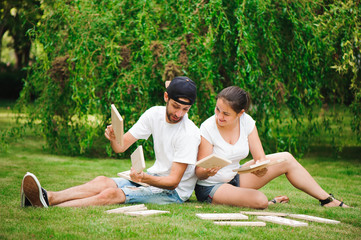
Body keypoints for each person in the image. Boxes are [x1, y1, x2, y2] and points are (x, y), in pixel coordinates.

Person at [21, 76, 200, 207]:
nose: (179, 114)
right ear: (166, 97)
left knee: (111, 193)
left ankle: (46, 206)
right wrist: (115, 138)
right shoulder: (154, 114)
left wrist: (144, 177)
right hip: (152, 179)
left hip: (173, 193)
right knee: (102, 181)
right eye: (176, 106)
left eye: (185, 109)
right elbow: (120, 148)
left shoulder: (189, 132)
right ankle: (48, 197)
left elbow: (173, 182)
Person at [195, 86, 349, 209]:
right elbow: (199, 173)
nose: (219, 116)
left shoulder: (247, 122)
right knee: (260, 200)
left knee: (287, 158)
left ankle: (327, 199)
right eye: (217, 109)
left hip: (235, 177)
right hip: (211, 187)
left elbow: (260, 159)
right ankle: (267, 202)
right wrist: (207, 171)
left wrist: (261, 167)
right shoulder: (208, 127)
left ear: (240, 113)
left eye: (226, 114)